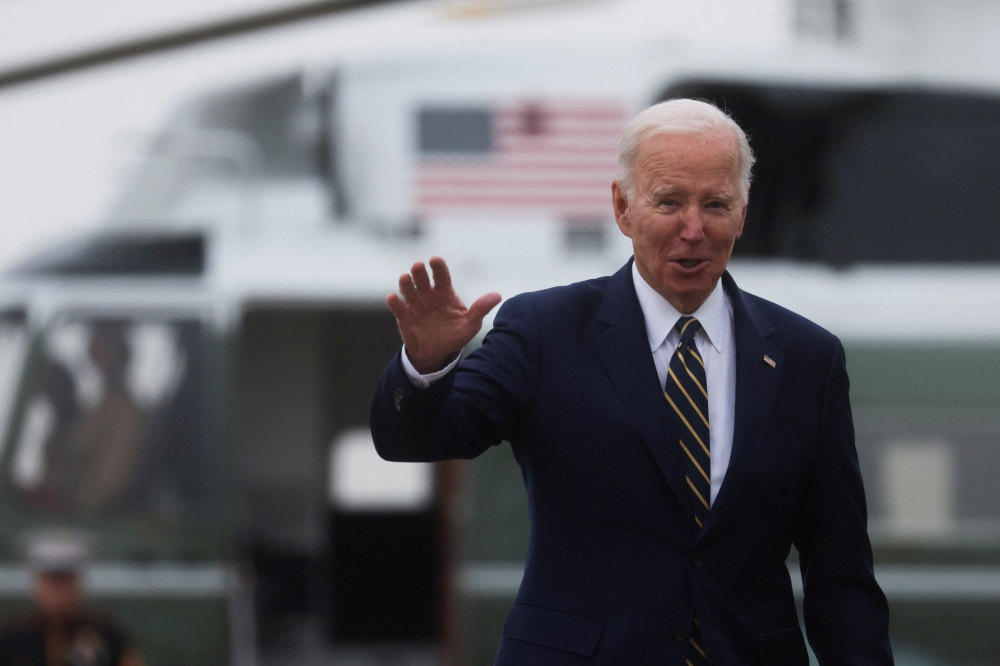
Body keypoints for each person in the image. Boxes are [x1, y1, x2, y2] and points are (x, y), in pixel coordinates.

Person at [371, 99, 892, 665]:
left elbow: (841, 572)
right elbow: (418, 439)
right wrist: (425, 366)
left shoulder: (805, 358)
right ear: (623, 208)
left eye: (715, 204)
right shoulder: (545, 332)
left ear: (742, 212)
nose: (693, 229)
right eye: (669, 201)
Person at [0, 533, 144, 666]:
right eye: (52, 582)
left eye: (66, 582)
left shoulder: (106, 634)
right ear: (36, 586)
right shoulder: (14, 636)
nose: (59, 593)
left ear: (79, 586)